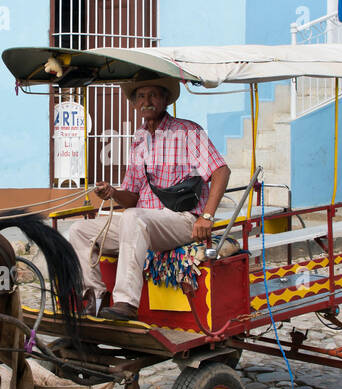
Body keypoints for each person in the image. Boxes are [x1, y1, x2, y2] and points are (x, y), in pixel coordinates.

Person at [68, 77, 230, 320]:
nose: (147, 101)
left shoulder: (187, 131)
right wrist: (112, 192)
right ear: (134, 104)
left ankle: (126, 302)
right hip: (142, 222)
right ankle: (95, 298)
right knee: (79, 230)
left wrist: (206, 217)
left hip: (182, 220)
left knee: (134, 218)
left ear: (165, 100)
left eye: (153, 95)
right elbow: (132, 198)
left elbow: (220, 171)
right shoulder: (139, 139)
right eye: (141, 97)